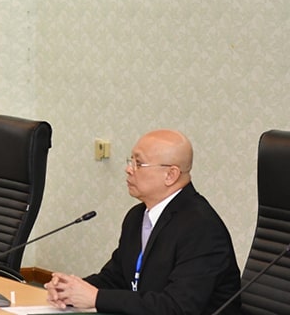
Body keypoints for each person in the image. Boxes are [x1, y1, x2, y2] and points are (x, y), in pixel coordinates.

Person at [45, 129, 241, 315]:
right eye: (131, 161)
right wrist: (70, 290)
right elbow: (117, 278)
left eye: (139, 163)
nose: (128, 169)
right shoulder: (137, 216)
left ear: (170, 175)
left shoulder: (201, 228)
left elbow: (177, 308)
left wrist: (96, 298)